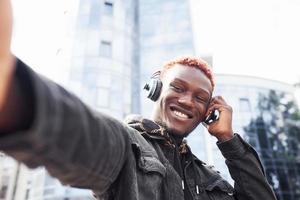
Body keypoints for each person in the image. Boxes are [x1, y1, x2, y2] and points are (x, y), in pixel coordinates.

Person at [0, 1, 277, 200]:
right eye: (177, 88)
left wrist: (228, 141)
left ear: (208, 111)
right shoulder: (129, 147)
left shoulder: (211, 179)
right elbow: (82, 135)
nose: (187, 101)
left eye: (200, 98)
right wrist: (13, 89)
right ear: (155, 89)